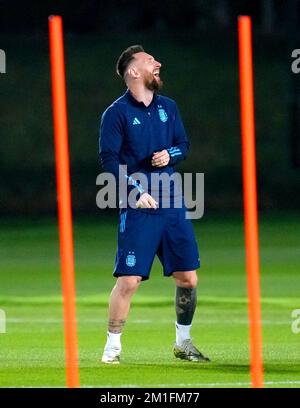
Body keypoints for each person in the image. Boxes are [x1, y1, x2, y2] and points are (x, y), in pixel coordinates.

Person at [99, 45, 209, 364]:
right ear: (133, 72)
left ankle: (184, 343)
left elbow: (183, 145)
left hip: (172, 202)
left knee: (188, 277)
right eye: (150, 61)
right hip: (139, 205)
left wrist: (170, 155)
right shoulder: (116, 113)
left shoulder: (169, 107)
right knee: (129, 280)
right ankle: (113, 347)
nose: (158, 64)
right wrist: (134, 191)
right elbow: (108, 160)